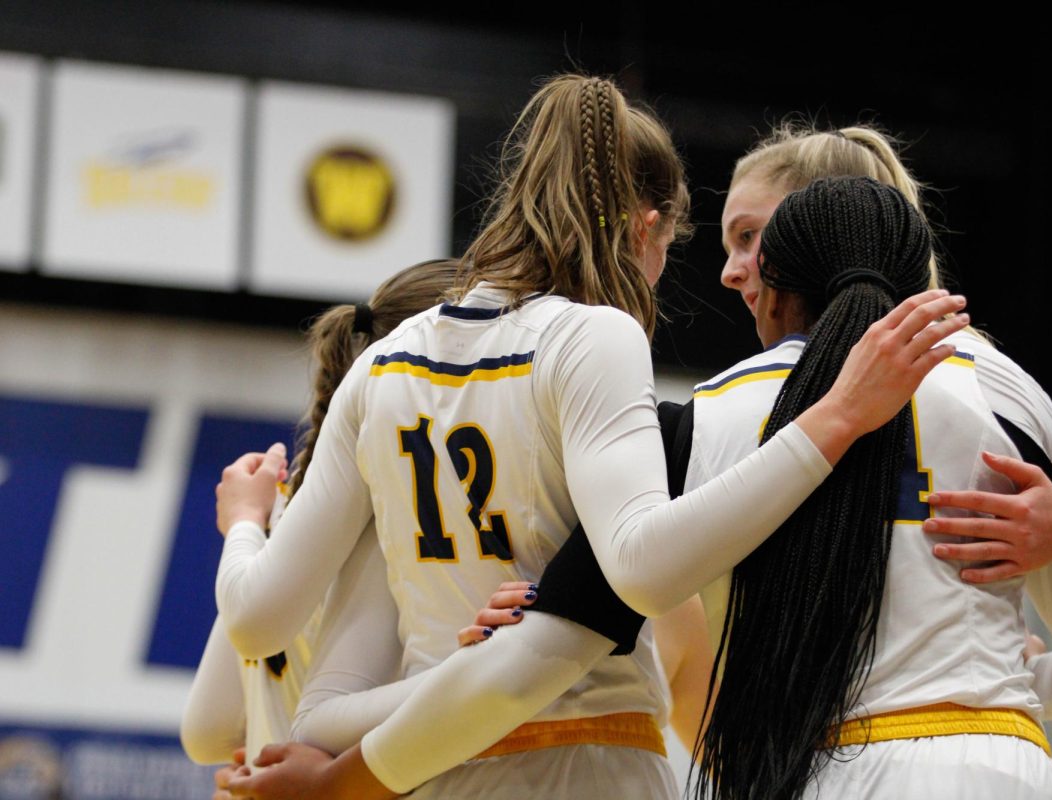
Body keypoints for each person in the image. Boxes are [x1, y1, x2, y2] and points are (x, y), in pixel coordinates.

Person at [212, 74, 969, 799]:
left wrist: (245, 527)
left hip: (433, 763)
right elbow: (641, 565)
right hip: (591, 760)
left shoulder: (380, 365)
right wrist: (835, 418)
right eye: (670, 251)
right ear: (647, 229)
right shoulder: (593, 338)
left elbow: (263, 632)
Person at [693, 176, 1052, 798]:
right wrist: (989, 678)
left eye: (750, 239)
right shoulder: (1005, 388)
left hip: (830, 768)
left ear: (783, 277)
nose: (732, 271)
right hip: (1008, 764)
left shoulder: (716, 406)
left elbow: (646, 592)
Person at [719, 124, 1052, 580]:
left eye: (746, 236)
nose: (728, 273)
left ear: (826, 217)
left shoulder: (968, 374)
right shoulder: (745, 391)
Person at [179, 260, 459, 794]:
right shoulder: (420, 506)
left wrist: (245, 527)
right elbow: (463, 702)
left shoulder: (287, 500)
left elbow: (206, 731)